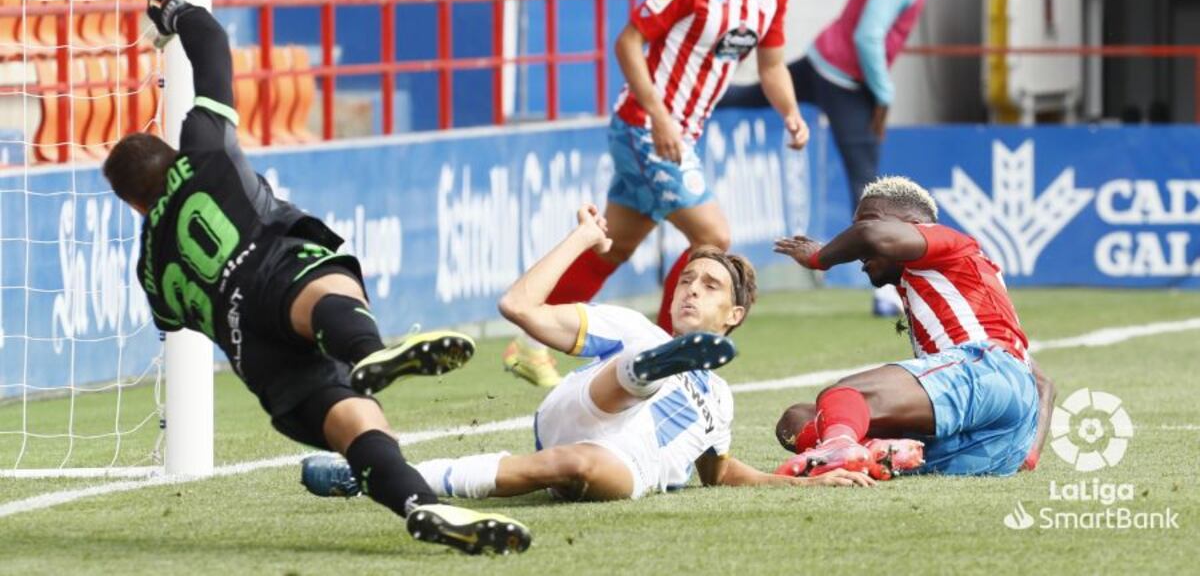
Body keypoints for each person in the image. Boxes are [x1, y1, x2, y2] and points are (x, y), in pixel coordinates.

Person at [102, 0, 531, 556]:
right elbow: (211, 41)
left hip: (256, 359)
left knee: (359, 430)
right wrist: (170, 8)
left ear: (132, 204)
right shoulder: (201, 147)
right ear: (170, 156)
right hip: (268, 267)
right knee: (315, 282)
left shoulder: (149, 269)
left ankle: (419, 504)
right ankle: (366, 351)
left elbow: (172, 323)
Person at [304, 204, 870, 502]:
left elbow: (719, 474)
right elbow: (519, 306)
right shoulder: (627, 322)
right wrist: (581, 239)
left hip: (627, 467)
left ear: (734, 317)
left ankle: (373, 478)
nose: (692, 288)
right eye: (687, 280)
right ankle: (644, 371)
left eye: (710, 285)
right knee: (632, 365)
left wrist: (804, 483)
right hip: (582, 410)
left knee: (577, 466)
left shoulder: (721, 401)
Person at [504, 0, 810, 387]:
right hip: (645, 127)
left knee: (612, 248)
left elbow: (771, 65)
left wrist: (791, 113)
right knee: (713, 238)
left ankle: (529, 345)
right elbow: (628, 42)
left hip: (675, 133)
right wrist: (659, 115)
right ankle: (668, 352)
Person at [721, 0, 949, 317]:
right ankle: (885, 290)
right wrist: (883, 95)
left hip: (825, 60)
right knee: (873, 189)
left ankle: (692, 98)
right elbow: (867, 37)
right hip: (846, 80)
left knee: (753, 94)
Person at [770, 176, 1056, 478]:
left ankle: (841, 447)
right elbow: (1044, 384)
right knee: (798, 419)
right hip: (989, 446)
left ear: (915, 224)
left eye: (870, 220)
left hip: (986, 374)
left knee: (846, 394)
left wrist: (819, 257)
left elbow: (869, 235)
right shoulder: (955, 284)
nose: (858, 247)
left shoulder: (948, 240)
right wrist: (1030, 455)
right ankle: (876, 452)